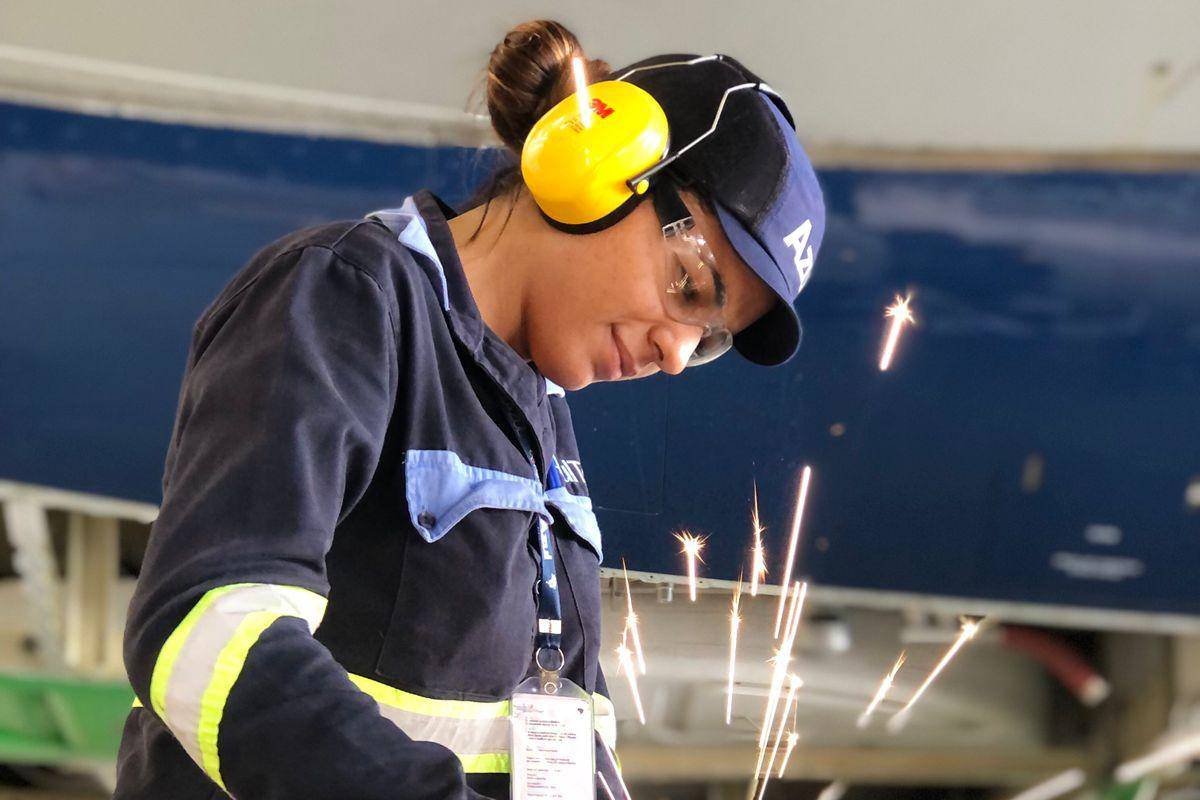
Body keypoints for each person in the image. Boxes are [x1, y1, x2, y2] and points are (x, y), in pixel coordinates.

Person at [113, 19, 825, 800]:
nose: (678, 354)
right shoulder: (347, 298)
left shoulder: (542, 426)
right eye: (691, 288)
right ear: (591, 167)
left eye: (712, 340)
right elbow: (204, 629)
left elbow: (565, 739)